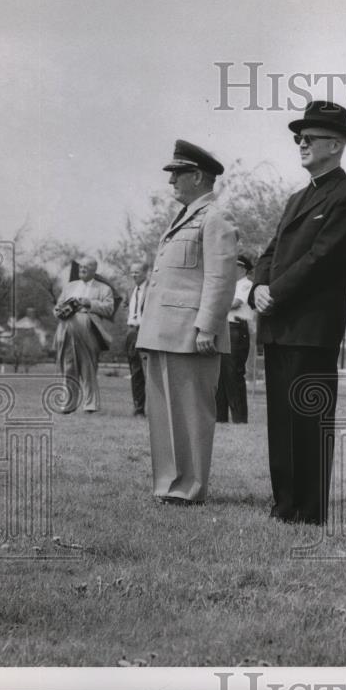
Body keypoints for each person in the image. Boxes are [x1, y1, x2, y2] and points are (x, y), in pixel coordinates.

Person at [250, 101, 346, 525]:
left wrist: (274, 292)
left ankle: (309, 509)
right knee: (281, 423)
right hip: (280, 324)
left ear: (336, 145)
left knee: (309, 421)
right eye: (299, 137)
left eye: (310, 138)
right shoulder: (297, 198)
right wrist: (258, 288)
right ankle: (284, 505)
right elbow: (271, 249)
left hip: (312, 328)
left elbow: (321, 258)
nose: (301, 143)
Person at [136, 139, 238, 506]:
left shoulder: (215, 217)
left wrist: (208, 325)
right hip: (164, 331)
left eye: (177, 174)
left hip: (191, 333)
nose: (171, 182)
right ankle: (169, 484)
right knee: (162, 414)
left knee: (191, 414)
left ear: (197, 176)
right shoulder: (185, 217)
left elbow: (221, 277)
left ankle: (189, 487)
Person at [53, 257, 114, 413]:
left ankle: (90, 404)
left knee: (88, 367)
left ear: (94, 270)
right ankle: (68, 403)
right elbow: (57, 306)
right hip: (67, 328)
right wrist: (58, 310)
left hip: (88, 329)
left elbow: (109, 309)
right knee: (68, 367)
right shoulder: (69, 287)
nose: (82, 270)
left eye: (86, 267)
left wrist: (90, 303)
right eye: (81, 267)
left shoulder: (104, 289)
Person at [216, 254, 254, 424]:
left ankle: (239, 418)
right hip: (225, 328)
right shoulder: (230, 285)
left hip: (237, 329)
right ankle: (220, 416)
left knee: (234, 374)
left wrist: (215, 305)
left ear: (243, 269)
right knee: (221, 374)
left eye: (235, 266)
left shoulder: (246, 284)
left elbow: (235, 303)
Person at [124, 261, 149, 417]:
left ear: (146, 272)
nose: (134, 275)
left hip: (145, 331)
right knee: (135, 371)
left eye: (137, 272)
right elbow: (126, 305)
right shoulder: (129, 290)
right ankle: (138, 408)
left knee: (149, 371)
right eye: (132, 272)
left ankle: (155, 410)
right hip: (132, 331)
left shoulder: (152, 289)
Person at [13, 307, 46, 373]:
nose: (32, 314)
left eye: (33, 312)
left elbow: (39, 330)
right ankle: (17, 367)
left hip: (31, 339)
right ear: (28, 313)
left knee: (28, 355)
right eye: (30, 312)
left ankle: (26, 369)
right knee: (20, 354)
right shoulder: (24, 320)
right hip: (24, 339)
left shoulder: (36, 321)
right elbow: (17, 327)